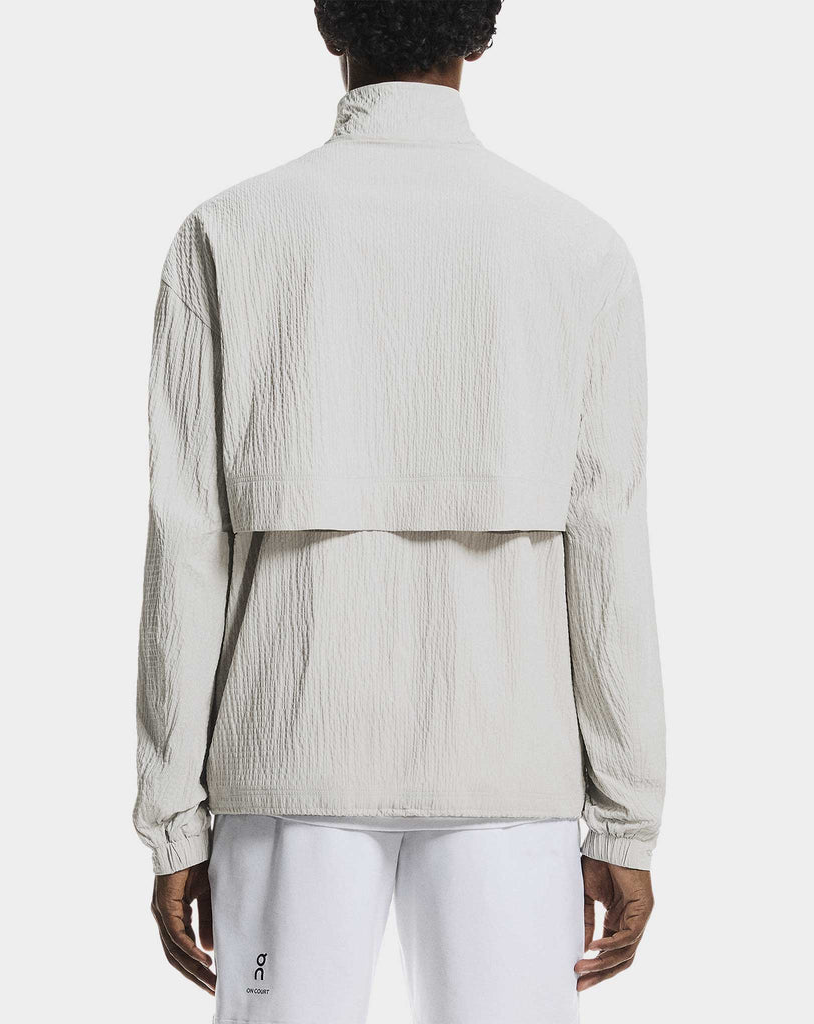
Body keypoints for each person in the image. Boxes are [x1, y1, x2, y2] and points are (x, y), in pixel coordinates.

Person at [134, 3, 665, 1021]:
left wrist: (173, 819)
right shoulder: (579, 248)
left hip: (288, 746)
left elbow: (186, 537)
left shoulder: (230, 233)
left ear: (328, 27)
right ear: (479, 37)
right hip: (510, 760)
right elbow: (608, 548)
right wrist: (625, 821)